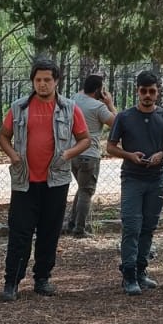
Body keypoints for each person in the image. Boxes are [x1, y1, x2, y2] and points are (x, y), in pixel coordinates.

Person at [0, 56, 91, 300]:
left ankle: (42, 278)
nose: (42, 84)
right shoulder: (19, 108)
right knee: (20, 231)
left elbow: (85, 139)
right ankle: (12, 282)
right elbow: (3, 136)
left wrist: (68, 153)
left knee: (50, 231)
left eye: (47, 80)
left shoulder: (70, 108)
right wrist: (13, 155)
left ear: (56, 81)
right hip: (25, 180)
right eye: (38, 80)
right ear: (32, 81)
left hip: (56, 180)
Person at [106, 71, 163, 294]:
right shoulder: (125, 117)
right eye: (143, 91)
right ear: (137, 91)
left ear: (158, 92)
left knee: (148, 227)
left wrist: (162, 154)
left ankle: (141, 271)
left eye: (152, 91)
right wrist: (129, 155)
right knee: (132, 226)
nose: (147, 95)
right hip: (132, 178)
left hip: (156, 178)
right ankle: (128, 274)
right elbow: (110, 146)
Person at [64, 72, 117, 238]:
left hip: (74, 152)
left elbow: (82, 92)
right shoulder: (98, 107)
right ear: (99, 91)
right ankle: (79, 229)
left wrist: (93, 80)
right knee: (86, 191)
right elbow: (118, 123)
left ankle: (72, 223)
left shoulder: (74, 100)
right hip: (90, 154)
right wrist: (110, 103)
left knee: (81, 188)